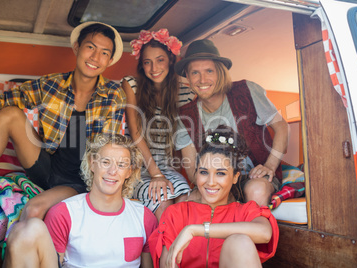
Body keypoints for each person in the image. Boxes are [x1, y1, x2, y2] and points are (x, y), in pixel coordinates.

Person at [0, 21, 126, 220]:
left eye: (104, 53)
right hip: (45, 166)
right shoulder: (51, 84)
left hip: (78, 182)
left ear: (108, 61)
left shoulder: (114, 94)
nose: (95, 57)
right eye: (90, 47)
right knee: (9, 113)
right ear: (77, 48)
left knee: (34, 210)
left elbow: (110, 148)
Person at [4, 134, 158, 267]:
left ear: (129, 171)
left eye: (121, 165)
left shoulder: (144, 217)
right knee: (29, 229)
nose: (112, 171)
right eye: (105, 162)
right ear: (92, 163)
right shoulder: (64, 213)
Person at [174, 39, 288, 206]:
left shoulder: (247, 91)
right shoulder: (184, 116)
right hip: (215, 182)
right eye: (195, 73)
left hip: (255, 176)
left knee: (256, 190)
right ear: (188, 78)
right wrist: (217, 189)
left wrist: (270, 166)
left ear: (220, 72)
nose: (202, 79)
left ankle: (253, 230)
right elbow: (192, 171)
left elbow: (282, 128)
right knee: (187, 201)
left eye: (209, 71)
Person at [149, 126, 279, 268]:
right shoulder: (176, 213)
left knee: (239, 241)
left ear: (235, 177)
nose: (210, 182)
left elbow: (265, 233)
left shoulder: (245, 211)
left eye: (221, 173)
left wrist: (195, 230)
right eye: (204, 172)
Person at [121, 29, 192, 220]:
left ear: (170, 60)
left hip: (169, 167)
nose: (154, 68)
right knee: (163, 201)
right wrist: (156, 174)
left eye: (160, 60)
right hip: (137, 167)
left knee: (186, 200)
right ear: (141, 65)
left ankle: (178, 249)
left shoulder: (184, 92)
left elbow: (201, 86)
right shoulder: (131, 85)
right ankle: (162, 249)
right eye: (147, 62)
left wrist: (183, 78)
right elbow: (136, 134)